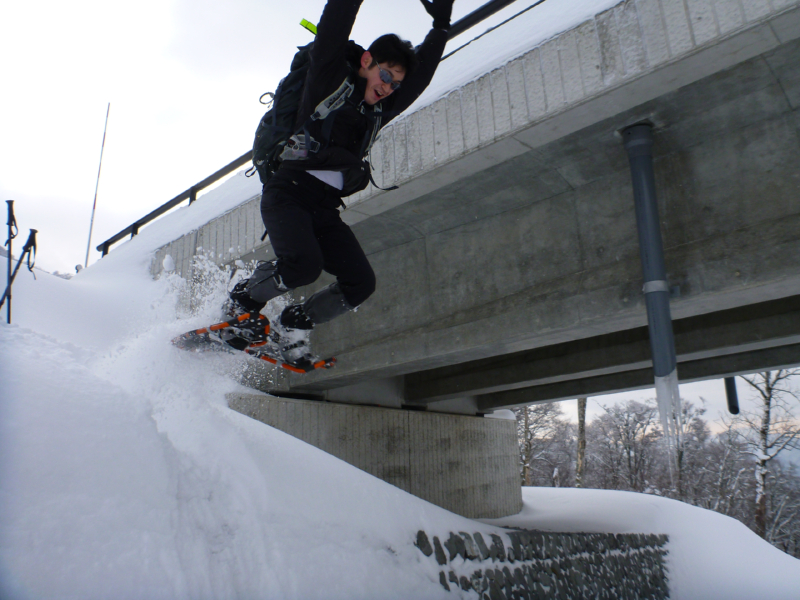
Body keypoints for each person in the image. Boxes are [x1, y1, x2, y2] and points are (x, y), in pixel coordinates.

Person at [226, 0, 455, 366]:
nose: (388, 87)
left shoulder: (380, 110)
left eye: (395, 83)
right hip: (288, 195)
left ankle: (294, 323)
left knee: (360, 283)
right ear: (366, 62)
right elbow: (335, 22)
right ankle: (241, 303)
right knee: (304, 266)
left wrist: (441, 26)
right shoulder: (328, 79)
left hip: (324, 210)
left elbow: (421, 77)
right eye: (385, 76)